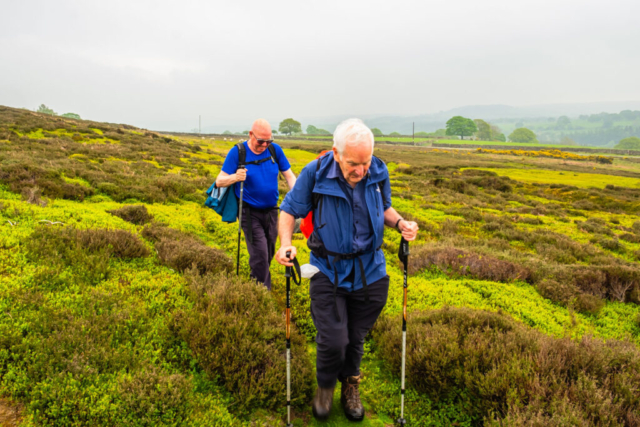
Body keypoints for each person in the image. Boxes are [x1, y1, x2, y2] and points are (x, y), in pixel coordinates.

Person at [275, 119, 419, 421]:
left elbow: (385, 208)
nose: (361, 171)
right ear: (336, 153)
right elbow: (289, 209)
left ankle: (350, 385)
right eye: (353, 163)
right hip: (327, 268)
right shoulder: (315, 173)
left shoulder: (377, 171)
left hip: (371, 270)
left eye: (365, 162)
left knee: (355, 337)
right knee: (333, 339)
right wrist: (285, 243)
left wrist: (400, 223)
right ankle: (325, 388)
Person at [216, 119, 296, 290]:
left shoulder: (275, 150)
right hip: (249, 213)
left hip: (272, 212)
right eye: (261, 141)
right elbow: (219, 181)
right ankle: (261, 295)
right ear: (251, 134)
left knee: (268, 252)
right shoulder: (238, 152)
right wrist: (235, 177)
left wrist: (298, 199)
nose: (265, 145)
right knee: (259, 255)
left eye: (269, 141)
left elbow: (289, 176)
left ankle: (256, 285)